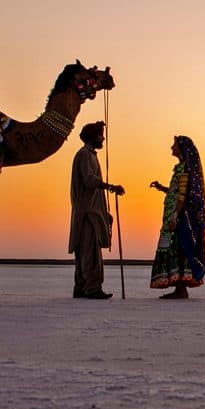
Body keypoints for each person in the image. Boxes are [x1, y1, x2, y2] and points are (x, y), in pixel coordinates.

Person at [149, 135, 205, 299]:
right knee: (172, 248)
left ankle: (181, 288)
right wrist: (162, 188)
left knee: (178, 249)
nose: (171, 148)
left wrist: (175, 216)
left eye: (174, 145)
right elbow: (176, 192)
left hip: (177, 219)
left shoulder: (184, 170)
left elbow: (182, 196)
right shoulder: (180, 169)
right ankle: (178, 287)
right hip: (171, 216)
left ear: (181, 149)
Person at [69, 122, 124, 299]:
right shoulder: (85, 155)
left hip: (93, 211)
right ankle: (91, 288)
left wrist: (104, 211)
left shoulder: (90, 155)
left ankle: (82, 287)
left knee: (86, 250)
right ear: (93, 136)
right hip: (87, 213)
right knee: (89, 251)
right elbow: (89, 180)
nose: (103, 138)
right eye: (100, 135)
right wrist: (110, 186)